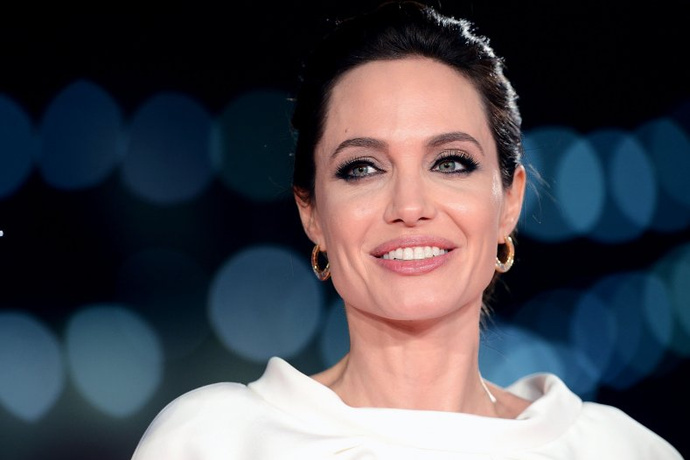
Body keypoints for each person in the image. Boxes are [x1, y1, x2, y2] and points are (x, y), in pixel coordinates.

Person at [131, 1, 683, 458]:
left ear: (509, 200)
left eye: (450, 162)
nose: (410, 206)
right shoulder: (214, 441)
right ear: (312, 212)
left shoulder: (619, 449)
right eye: (362, 168)